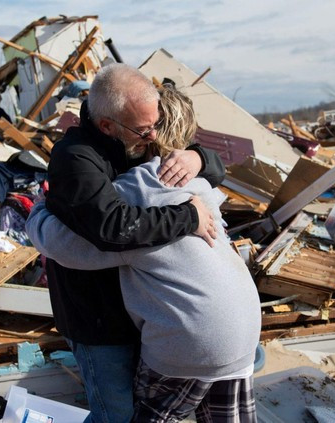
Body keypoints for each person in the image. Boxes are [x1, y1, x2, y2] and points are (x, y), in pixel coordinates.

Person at [27, 86, 261, 422]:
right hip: (242, 334)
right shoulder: (200, 185)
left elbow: (68, 245)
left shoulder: (137, 188)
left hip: (190, 342)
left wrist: (39, 209)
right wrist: (199, 159)